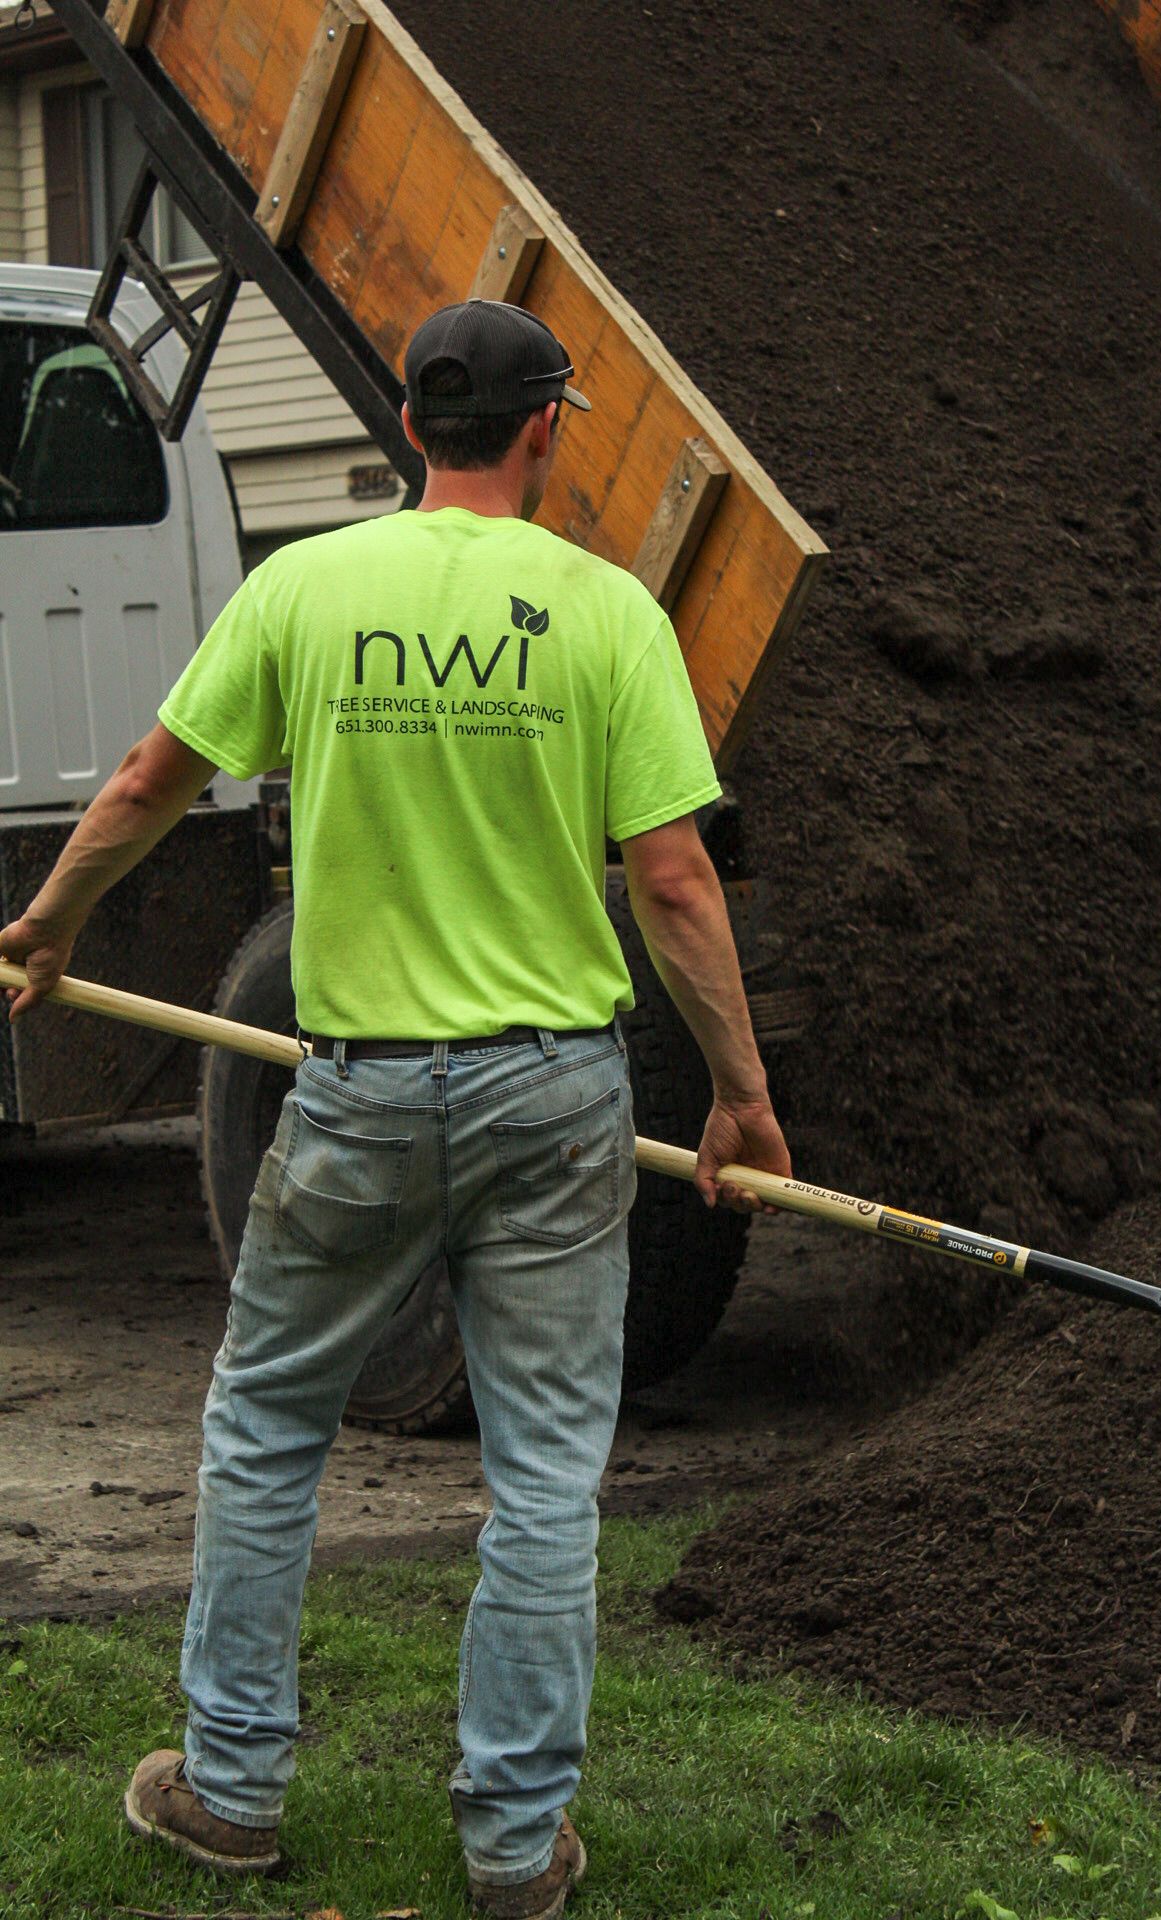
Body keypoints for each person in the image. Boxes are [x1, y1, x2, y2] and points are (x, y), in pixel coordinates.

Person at [0, 297, 790, 1917]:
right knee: (549, 1468)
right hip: (559, 1096)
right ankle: (513, 1849)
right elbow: (674, 880)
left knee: (269, 1423)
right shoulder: (605, 613)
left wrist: (54, 923)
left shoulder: (310, 588)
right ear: (547, 427)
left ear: (411, 425)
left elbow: (154, 775)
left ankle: (227, 1792)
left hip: (356, 1095)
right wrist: (739, 1095)